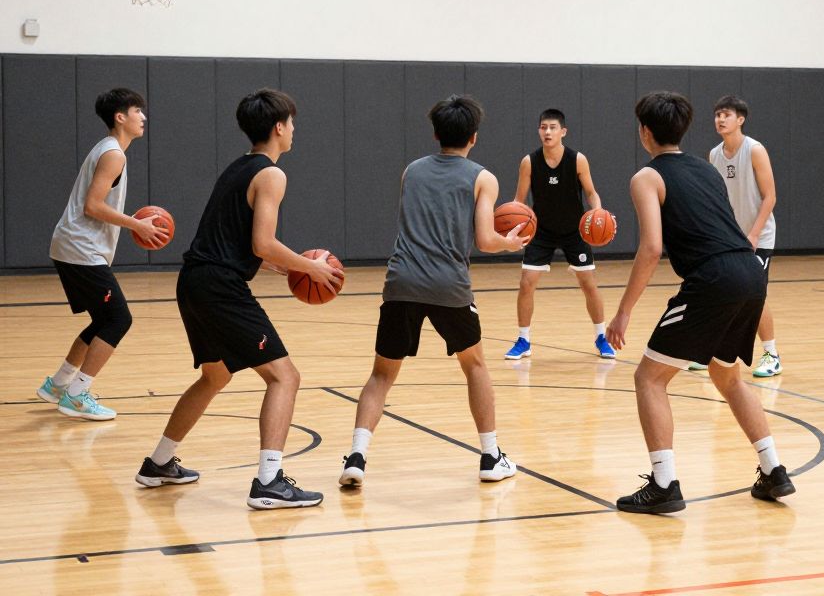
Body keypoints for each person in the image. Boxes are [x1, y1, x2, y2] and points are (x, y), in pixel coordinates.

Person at [134, 89, 343, 510]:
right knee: (285, 377)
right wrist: (308, 267)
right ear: (279, 127)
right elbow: (263, 243)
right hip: (219, 288)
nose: (294, 130)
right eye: (292, 123)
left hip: (194, 281)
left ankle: (158, 463)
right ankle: (269, 481)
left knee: (215, 376)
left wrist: (281, 266)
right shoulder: (271, 174)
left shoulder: (237, 168)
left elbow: (234, 242)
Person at [607, 91, 795, 514]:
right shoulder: (706, 169)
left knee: (649, 379)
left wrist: (623, 311)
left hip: (713, 279)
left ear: (644, 132)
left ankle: (664, 484)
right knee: (727, 377)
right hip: (749, 272)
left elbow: (652, 248)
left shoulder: (646, 178)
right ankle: (774, 470)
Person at [340, 95, 529, 488]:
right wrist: (509, 243)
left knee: (381, 375)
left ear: (435, 133)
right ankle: (491, 456)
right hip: (449, 284)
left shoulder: (412, 171)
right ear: (473, 137)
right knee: (474, 365)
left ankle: (356, 456)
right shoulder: (483, 177)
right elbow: (484, 240)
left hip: (402, 280)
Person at [38, 88, 168, 420]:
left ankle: (58, 385)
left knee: (102, 319)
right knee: (118, 319)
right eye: (137, 110)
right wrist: (136, 226)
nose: (144, 117)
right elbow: (93, 206)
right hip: (81, 248)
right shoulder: (114, 154)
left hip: (71, 245)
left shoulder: (108, 149)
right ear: (120, 117)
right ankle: (77, 395)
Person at [504, 108, 614, 361]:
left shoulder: (577, 160)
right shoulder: (529, 162)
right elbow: (519, 201)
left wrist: (597, 212)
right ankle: (523, 340)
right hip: (541, 231)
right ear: (539, 131)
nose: (548, 132)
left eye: (553, 127)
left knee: (589, 284)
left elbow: (591, 193)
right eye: (543, 127)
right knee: (526, 283)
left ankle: (601, 337)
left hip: (574, 231)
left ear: (563, 131)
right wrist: (514, 228)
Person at [692, 95, 780, 378]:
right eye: (717, 114)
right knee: (722, 290)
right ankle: (713, 350)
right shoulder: (714, 154)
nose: (720, 119)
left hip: (759, 236)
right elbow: (718, 200)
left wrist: (753, 235)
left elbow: (770, 197)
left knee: (756, 296)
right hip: (730, 236)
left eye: (726, 114)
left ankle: (771, 354)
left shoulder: (755, 150)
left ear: (740, 119)